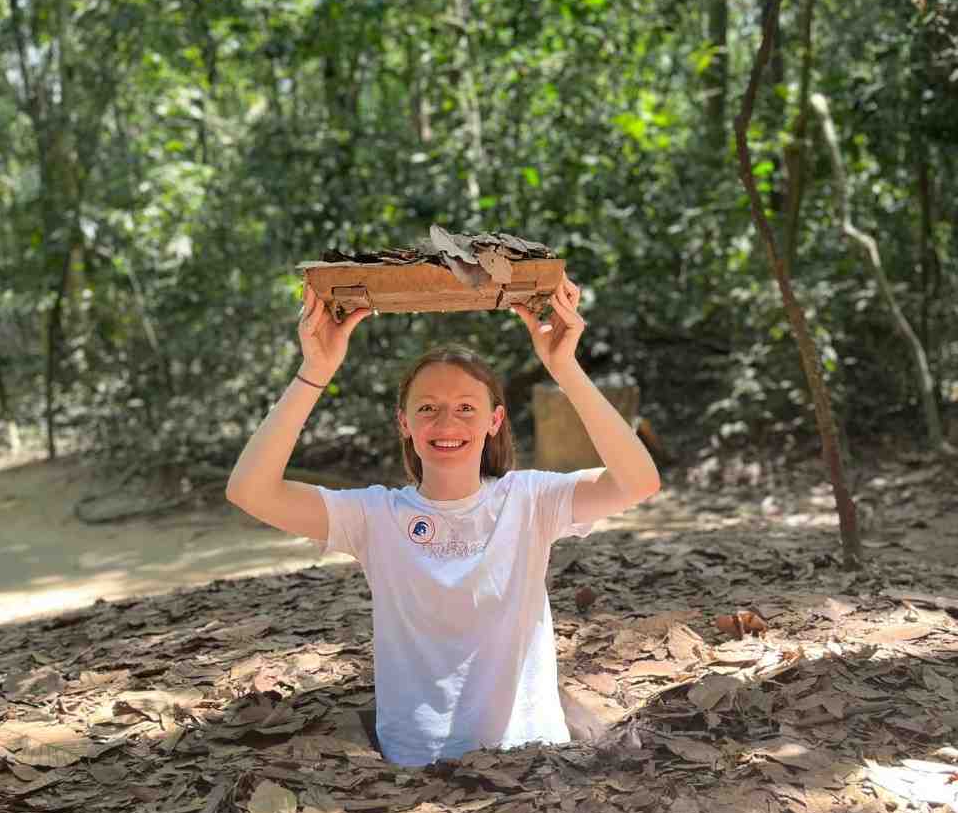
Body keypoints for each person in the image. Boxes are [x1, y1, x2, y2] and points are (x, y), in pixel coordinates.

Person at [226, 274, 660, 766]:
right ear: (404, 423)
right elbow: (249, 491)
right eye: (428, 408)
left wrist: (565, 367)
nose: (447, 424)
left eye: (466, 408)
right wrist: (315, 371)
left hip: (532, 757)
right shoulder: (374, 515)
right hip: (417, 763)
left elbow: (638, 482)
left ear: (494, 421)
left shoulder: (530, 499)